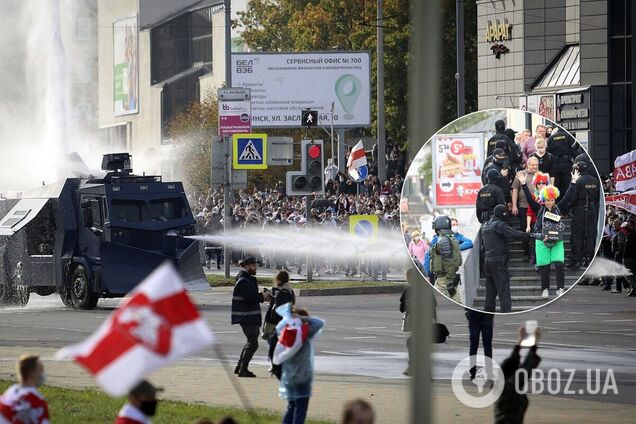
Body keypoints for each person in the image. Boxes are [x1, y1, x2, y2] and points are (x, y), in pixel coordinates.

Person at [518, 170, 579, 299]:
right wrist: (523, 184)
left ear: (554, 198)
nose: (550, 202)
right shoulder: (538, 209)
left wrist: (573, 182)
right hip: (541, 240)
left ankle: (560, 288)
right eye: (547, 200)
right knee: (544, 266)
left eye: (552, 200)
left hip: (557, 241)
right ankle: (545, 289)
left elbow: (568, 197)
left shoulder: (559, 207)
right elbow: (529, 199)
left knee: (559, 264)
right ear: (543, 199)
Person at [481, 205, 541, 312]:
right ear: (502, 214)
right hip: (498, 261)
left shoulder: (485, 225)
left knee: (490, 292)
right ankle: (506, 314)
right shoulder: (499, 225)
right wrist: (532, 235)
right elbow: (514, 234)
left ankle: (487, 314)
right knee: (504, 291)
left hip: (487, 261)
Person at [275, 306, 324, 424]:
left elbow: (278, 327)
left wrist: (289, 318)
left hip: (288, 376)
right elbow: (319, 322)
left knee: (291, 407)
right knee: (301, 408)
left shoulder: (285, 331)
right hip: (303, 376)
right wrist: (303, 319)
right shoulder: (304, 333)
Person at [231, 256, 271, 377]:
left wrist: (261, 296)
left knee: (251, 341)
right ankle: (243, 370)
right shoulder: (243, 280)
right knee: (253, 343)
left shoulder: (247, 279)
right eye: (253, 266)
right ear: (246, 266)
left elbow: (251, 296)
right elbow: (249, 298)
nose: (255, 268)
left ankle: (240, 367)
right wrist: (262, 297)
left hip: (249, 315)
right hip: (246, 316)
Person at [494, 326, 542, 424]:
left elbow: (511, 363)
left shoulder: (500, 385)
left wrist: (520, 342)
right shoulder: (509, 389)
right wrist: (535, 344)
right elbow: (526, 369)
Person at [566, 160, 600, 270]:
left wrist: (569, 207)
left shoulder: (578, 181)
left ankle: (577, 258)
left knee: (577, 234)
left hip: (580, 209)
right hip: (592, 209)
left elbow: (573, 197)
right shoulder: (595, 180)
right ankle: (589, 258)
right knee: (590, 234)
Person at [0, 354, 49, 424]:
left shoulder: (6, 397)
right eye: (41, 370)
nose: (42, 374)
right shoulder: (36, 403)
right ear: (33, 374)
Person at [264, 270, 296, 378]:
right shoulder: (289, 291)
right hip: (284, 319)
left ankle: (274, 363)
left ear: (278, 279)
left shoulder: (282, 291)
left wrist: (271, 299)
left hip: (273, 318)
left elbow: (278, 305)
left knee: (271, 341)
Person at [511, 157, 539, 261]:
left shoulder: (540, 175)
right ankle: (526, 252)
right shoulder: (521, 174)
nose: (535, 167)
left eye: (536, 165)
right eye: (533, 165)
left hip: (537, 208)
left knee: (536, 230)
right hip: (523, 206)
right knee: (524, 229)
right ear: (527, 165)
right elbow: (514, 190)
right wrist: (514, 205)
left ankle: (535, 253)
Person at [429, 215, 462, 302]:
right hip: (449, 278)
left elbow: (449, 262)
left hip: (444, 281)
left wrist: (450, 282)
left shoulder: (443, 240)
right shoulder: (449, 239)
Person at [546, 128, 578, 196]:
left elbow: (547, 151)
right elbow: (574, 150)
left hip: (555, 163)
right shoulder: (569, 136)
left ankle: (556, 202)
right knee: (566, 185)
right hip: (566, 163)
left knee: (556, 185)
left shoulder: (551, 138)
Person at [465, 309, 494, 380]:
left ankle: (473, 372)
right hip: (486, 314)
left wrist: (467, 312)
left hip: (473, 315)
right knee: (487, 346)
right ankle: (489, 372)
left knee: (473, 346)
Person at [623, 221, 636, 297]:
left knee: (627, 274)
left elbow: (627, 247)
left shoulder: (630, 234)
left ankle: (634, 288)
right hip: (633, 257)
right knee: (633, 274)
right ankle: (633, 289)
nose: (628, 226)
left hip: (629, 257)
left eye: (629, 225)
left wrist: (624, 257)